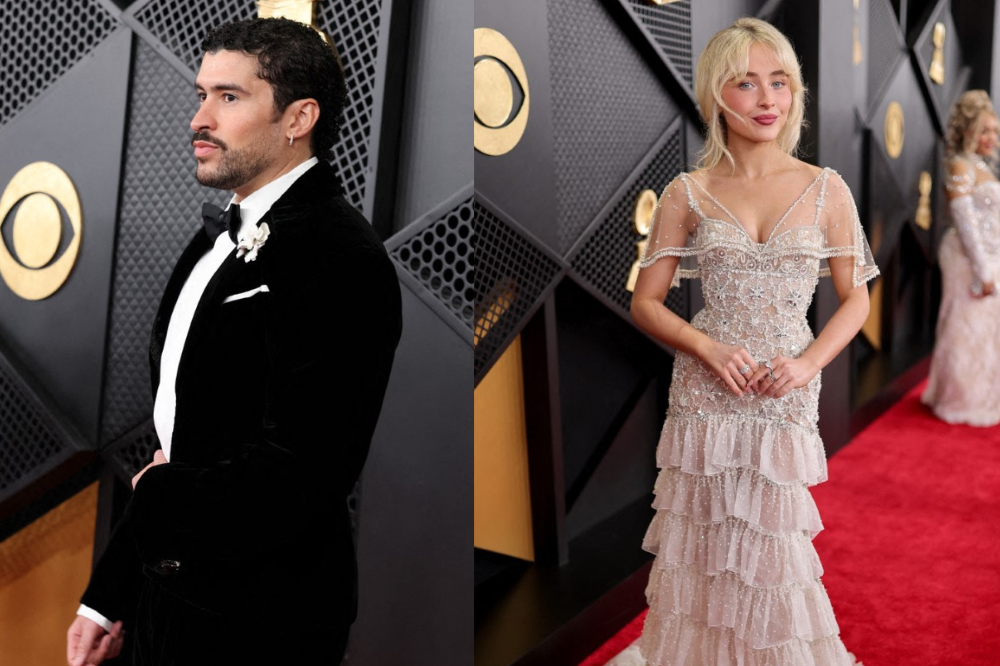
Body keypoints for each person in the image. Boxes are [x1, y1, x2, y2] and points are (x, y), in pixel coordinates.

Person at [66, 18, 402, 666]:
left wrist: (158, 504)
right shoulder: (213, 238)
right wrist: (109, 594)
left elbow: (304, 474)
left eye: (228, 97)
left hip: (262, 622)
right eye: (201, 95)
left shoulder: (343, 258)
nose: (199, 118)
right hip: (168, 597)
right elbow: (179, 443)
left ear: (298, 117)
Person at [624, 17, 877, 666]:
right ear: (716, 95)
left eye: (780, 82)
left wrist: (808, 363)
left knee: (770, 546)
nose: (767, 99)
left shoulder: (826, 189)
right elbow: (645, 303)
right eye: (746, 83)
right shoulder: (689, 192)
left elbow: (857, 300)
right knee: (703, 544)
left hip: (785, 389)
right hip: (707, 391)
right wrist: (706, 349)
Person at [921, 90, 1000, 426]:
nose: (992, 138)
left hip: (988, 255)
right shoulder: (959, 165)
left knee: (984, 328)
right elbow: (964, 220)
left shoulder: (982, 165)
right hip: (967, 257)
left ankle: (981, 393)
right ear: (968, 131)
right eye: (985, 131)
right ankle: (959, 398)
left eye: (995, 131)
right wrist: (982, 271)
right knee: (964, 325)